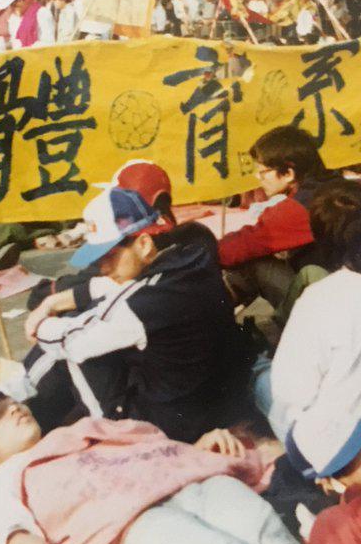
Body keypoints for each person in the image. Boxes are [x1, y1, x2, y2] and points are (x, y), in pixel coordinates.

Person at [0, 389, 304, 544]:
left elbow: (150, 453)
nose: (13, 408)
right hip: (132, 524)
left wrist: (195, 450)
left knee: (269, 536)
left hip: (190, 482)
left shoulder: (77, 431)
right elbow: (21, 543)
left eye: (9, 401)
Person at [23, 187, 240, 442]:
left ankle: (102, 436)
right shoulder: (191, 254)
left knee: (71, 348)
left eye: (110, 257)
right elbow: (113, 286)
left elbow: (72, 343)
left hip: (177, 423)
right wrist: (51, 302)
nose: (102, 268)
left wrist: (42, 324)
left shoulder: (141, 304)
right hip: (219, 395)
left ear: (144, 243)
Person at [265, 179, 361, 484]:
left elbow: (291, 394)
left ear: (321, 239)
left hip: (353, 444)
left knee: (262, 380)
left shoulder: (319, 299)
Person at [217, 126, 337, 309]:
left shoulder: (301, 208)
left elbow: (238, 247)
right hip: (352, 290)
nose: (258, 177)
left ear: (289, 173)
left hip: (329, 307)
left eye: (263, 172)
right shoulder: (337, 185)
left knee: (252, 263)